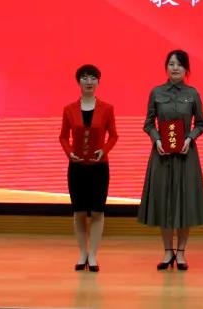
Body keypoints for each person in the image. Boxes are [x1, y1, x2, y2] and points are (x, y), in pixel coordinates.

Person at [137, 49, 203, 271]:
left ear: (186, 69)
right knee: (165, 201)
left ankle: (181, 253)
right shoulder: (156, 92)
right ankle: (168, 251)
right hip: (162, 156)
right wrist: (157, 139)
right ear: (166, 68)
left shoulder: (193, 93)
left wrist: (190, 137)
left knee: (184, 202)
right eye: (171, 64)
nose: (175, 68)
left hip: (186, 156)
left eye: (179, 64)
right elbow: (148, 123)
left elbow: (201, 124)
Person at [59, 63, 118, 272]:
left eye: (93, 77)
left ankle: (93, 255)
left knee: (98, 212)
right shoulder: (69, 109)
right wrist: (69, 153)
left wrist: (105, 150)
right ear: (79, 82)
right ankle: (82, 253)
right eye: (84, 77)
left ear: (98, 82)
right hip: (77, 167)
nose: (89, 81)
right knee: (79, 212)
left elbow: (114, 135)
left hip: (99, 167)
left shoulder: (107, 108)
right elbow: (63, 137)